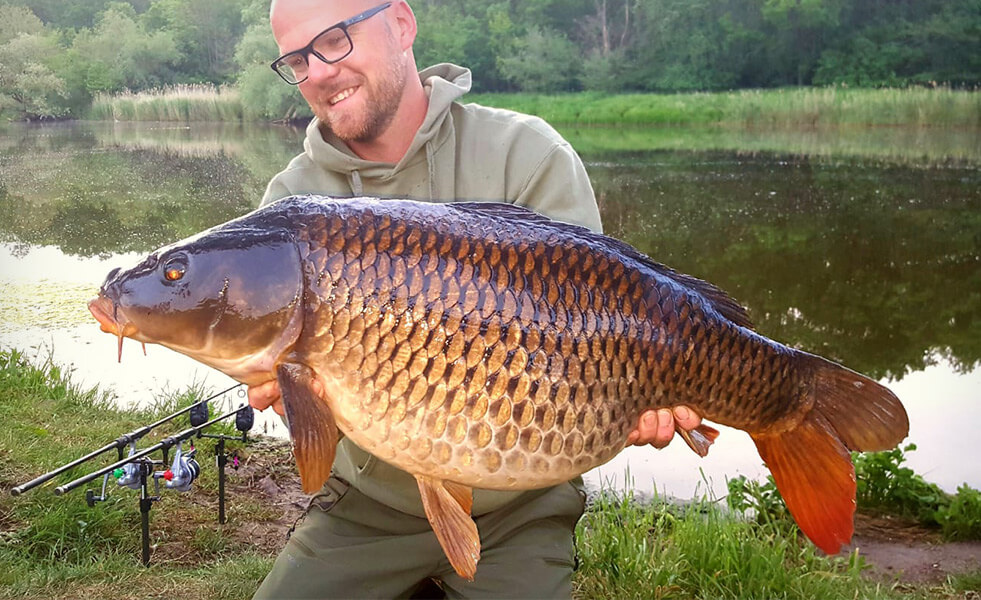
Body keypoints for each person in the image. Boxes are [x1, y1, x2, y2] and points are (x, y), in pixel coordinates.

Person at [248, 1, 703, 597]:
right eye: (298, 59)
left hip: (519, 502)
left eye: (334, 41)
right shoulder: (292, 205)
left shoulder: (527, 155)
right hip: (366, 504)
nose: (319, 71)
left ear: (403, 25)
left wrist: (635, 395)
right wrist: (284, 392)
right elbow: (290, 393)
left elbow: (605, 321)